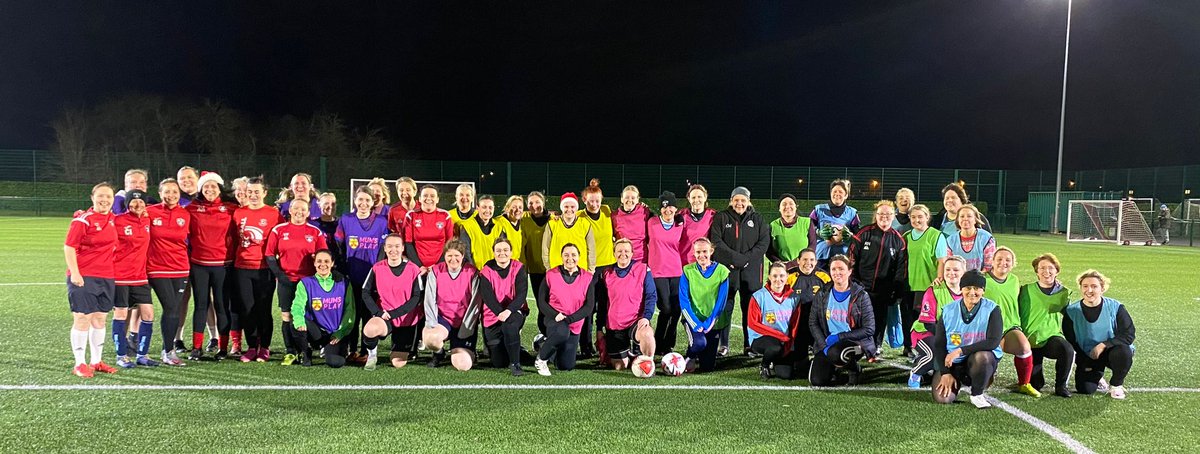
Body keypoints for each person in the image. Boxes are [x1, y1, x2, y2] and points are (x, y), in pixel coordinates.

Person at [65, 183, 120, 378]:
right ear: (92, 198)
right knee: (82, 318)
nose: (104, 200)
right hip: (84, 275)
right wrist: (75, 273)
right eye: (100, 196)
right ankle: (79, 363)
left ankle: (96, 361)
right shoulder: (83, 220)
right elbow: (69, 247)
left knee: (100, 319)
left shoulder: (113, 219)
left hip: (106, 276)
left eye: (108, 197)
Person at [709, 186, 770, 356]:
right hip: (727, 270)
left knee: (749, 309)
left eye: (743, 200)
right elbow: (716, 242)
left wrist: (746, 259)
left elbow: (763, 243)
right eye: (736, 200)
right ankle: (723, 345)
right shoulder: (721, 217)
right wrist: (736, 259)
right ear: (731, 201)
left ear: (748, 202)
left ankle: (749, 344)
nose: (739, 203)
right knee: (725, 307)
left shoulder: (758, 219)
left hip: (751, 271)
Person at [267, 200, 329, 365]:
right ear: (290, 210)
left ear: (308, 212)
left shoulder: (315, 232)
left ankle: (305, 349)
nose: (299, 211)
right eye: (295, 208)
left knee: (307, 315)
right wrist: (280, 275)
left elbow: (323, 256)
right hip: (286, 280)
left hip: (308, 282)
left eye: (303, 209)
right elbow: (269, 255)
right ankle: (290, 351)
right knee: (287, 316)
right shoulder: (279, 230)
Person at [931, 269, 1004, 409]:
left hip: (976, 361)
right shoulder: (948, 310)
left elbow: (993, 341)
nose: (972, 292)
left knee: (983, 357)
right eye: (968, 288)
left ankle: (977, 393)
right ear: (961, 289)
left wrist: (960, 351)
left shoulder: (993, 309)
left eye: (977, 288)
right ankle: (957, 380)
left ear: (983, 291)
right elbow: (939, 344)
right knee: (943, 399)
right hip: (952, 363)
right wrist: (945, 373)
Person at [185, 171, 238, 361]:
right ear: (200, 189)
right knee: (201, 305)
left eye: (213, 186)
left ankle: (223, 348)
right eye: (205, 186)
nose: (209, 189)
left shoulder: (231, 208)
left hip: (223, 265)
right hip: (199, 265)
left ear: (220, 188)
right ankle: (196, 347)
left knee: (222, 306)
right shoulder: (191, 208)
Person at [233, 176, 285, 363]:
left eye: (257, 191)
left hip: (264, 269)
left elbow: (280, 240)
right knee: (247, 309)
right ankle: (251, 347)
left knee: (263, 309)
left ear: (264, 193)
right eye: (250, 192)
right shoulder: (238, 213)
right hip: (242, 268)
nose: (253, 195)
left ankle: (265, 347)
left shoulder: (274, 214)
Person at [338, 186, 393, 363]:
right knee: (352, 314)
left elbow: (384, 249)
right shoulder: (346, 219)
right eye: (360, 199)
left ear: (372, 202)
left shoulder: (382, 222)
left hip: (372, 277)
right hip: (352, 275)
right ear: (355, 200)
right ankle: (351, 349)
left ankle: (366, 350)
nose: (363, 203)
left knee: (368, 314)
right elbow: (340, 246)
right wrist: (343, 269)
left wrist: (378, 271)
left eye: (367, 200)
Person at [846, 200, 907, 357]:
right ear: (876, 215)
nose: (884, 217)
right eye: (881, 214)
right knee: (859, 318)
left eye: (888, 214)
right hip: (861, 288)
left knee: (879, 318)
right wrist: (853, 283)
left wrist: (897, 291)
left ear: (893, 216)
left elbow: (900, 268)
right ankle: (857, 345)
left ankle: (876, 345)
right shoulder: (863, 233)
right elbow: (851, 259)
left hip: (883, 290)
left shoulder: (898, 240)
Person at [1063, 270, 1136, 399]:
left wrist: (1103, 345)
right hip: (1088, 355)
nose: (1089, 290)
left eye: (1094, 286)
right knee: (1085, 389)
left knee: (1124, 352)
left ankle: (1116, 385)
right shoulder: (1071, 311)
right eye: (1085, 286)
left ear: (1102, 288)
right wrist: (1084, 362)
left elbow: (1128, 335)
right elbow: (1071, 341)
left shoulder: (1116, 307)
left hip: (1113, 351)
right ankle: (1098, 376)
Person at [809, 255, 875, 386]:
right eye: (833, 269)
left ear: (849, 271)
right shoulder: (822, 293)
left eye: (841, 269)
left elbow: (869, 329)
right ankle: (834, 368)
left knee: (836, 353)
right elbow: (813, 322)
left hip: (855, 343)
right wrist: (823, 345)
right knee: (817, 381)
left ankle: (855, 369)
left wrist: (840, 337)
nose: (837, 272)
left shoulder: (861, 296)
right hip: (828, 343)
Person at [360, 235, 424, 370]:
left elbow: (417, 297)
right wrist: (378, 312)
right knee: (370, 329)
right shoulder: (377, 268)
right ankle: (372, 355)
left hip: (406, 320)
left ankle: (398, 348)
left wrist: (395, 313)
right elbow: (365, 292)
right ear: (384, 248)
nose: (393, 250)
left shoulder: (413, 269)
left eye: (397, 246)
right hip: (384, 317)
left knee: (398, 363)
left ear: (402, 248)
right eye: (389, 246)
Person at [146, 179, 191, 366]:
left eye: (174, 192)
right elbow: (126, 218)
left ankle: (168, 349)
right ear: (160, 193)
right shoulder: (150, 212)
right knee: (171, 307)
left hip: (181, 268)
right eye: (167, 191)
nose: (170, 195)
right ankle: (168, 351)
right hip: (157, 268)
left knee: (174, 309)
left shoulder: (186, 214)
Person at [982, 246, 1038, 396]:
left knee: (1024, 347)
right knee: (984, 383)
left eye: (1008, 260)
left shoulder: (1014, 280)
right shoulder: (982, 279)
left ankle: (1024, 383)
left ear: (1013, 264)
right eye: (999, 259)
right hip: (987, 330)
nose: (1003, 262)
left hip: (1010, 327)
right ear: (992, 261)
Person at [1018, 253, 1075, 397]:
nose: (1046, 271)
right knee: (1036, 384)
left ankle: (1061, 386)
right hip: (1029, 341)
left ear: (1057, 271)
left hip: (1050, 338)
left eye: (1051, 268)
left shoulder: (1063, 293)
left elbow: (1070, 317)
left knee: (1067, 349)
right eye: (1042, 268)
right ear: (1036, 272)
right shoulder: (1025, 290)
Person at [533, 244, 596, 376]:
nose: (570, 258)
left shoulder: (587, 277)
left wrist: (570, 319)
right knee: (562, 333)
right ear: (561, 257)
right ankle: (541, 360)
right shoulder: (551, 274)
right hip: (554, 319)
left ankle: (543, 343)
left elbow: (589, 306)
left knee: (565, 365)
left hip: (573, 323)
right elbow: (541, 301)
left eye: (573, 255)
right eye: (566, 255)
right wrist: (555, 315)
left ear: (579, 256)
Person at [111, 189, 158, 368]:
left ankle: (142, 355)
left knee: (148, 314)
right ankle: (121, 356)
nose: (137, 205)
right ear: (127, 204)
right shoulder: (118, 220)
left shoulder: (147, 220)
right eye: (133, 201)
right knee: (121, 314)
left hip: (140, 277)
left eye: (141, 202)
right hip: (120, 276)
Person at [289, 249, 356, 367]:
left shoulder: (344, 283)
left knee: (336, 362)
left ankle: (331, 349)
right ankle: (306, 351)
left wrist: (340, 333)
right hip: (316, 331)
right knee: (294, 322)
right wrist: (299, 321)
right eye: (319, 261)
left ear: (332, 263)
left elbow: (350, 310)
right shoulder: (305, 283)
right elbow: (297, 306)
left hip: (335, 333)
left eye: (326, 261)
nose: (322, 264)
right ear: (314, 263)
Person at [599, 239, 657, 370]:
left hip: (635, 321)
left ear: (632, 253)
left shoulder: (643, 269)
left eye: (626, 251)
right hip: (615, 325)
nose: (623, 254)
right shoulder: (606, 273)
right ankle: (630, 354)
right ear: (614, 253)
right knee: (620, 366)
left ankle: (649, 364)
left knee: (647, 333)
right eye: (619, 251)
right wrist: (599, 329)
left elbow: (651, 295)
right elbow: (602, 303)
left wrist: (646, 317)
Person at [421, 240, 479, 371]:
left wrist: (466, 329)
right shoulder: (436, 271)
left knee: (462, 365)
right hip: (443, 320)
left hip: (464, 321)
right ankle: (439, 353)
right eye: (449, 255)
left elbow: (476, 303)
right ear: (445, 256)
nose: (453, 259)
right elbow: (429, 299)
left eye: (457, 255)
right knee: (430, 339)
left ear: (462, 256)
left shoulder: (472, 272)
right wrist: (431, 324)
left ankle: (466, 350)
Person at [909, 256, 966, 387]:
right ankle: (915, 374)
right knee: (934, 354)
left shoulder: (967, 293)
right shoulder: (934, 290)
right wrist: (948, 340)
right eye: (948, 269)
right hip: (924, 332)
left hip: (953, 335)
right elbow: (928, 323)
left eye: (956, 270)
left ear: (964, 272)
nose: (951, 273)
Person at [477, 237, 529, 376]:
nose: (502, 253)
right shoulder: (486, 271)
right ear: (493, 252)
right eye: (498, 250)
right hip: (493, 316)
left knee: (509, 326)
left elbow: (521, 295)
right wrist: (500, 312)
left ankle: (515, 364)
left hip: (514, 311)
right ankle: (518, 350)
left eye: (506, 250)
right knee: (498, 362)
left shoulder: (518, 267)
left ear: (511, 252)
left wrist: (508, 311)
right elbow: (488, 297)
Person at [679, 237, 731, 373]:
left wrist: (710, 322)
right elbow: (684, 301)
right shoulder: (687, 271)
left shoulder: (722, 271)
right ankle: (690, 356)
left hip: (713, 322)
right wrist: (695, 323)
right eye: (698, 252)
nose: (701, 255)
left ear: (711, 251)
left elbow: (721, 302)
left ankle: (697, 349)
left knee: (707, 367)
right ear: (694, 253)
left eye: (705, 251)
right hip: (693, 319)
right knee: (700, 343)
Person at [901, 204, 943, 358]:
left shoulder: (936, 235)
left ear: (927, 217)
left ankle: (924, 348)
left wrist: (939, 279)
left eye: (920, 216)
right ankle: (908, 347)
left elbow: (942, 260)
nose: (916, 220)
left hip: (927, 285)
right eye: (913, 217)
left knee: (923, 321)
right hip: (908, 285)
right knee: (907, 318)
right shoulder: (906, 236)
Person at [748, 262, 803, 379]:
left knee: (786, 375)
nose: (778, 279)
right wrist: (779, 336)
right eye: (775, 276)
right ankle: (764, 365)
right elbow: (753, 324)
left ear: (787, 276)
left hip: (784, 340)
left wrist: (790, 343)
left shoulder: (794, 298)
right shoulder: (758, 296)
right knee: (774, 347)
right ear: (769, 277)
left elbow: (794, 324)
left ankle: (774, 360)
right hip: (761, 338)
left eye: (782, 276)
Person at [580, 179, 616, 359]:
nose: (594, 204)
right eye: (590, 201)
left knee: (606, 307)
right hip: (589, 269)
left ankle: (605, 344)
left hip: (609, 267)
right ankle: (585, 345)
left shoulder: (607, 211)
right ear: (584, 200)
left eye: (597, 200)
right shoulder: (579, 216)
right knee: (588, 308)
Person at [648, 191, 685, 355]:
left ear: (675, 208)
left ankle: (669, 343)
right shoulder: (651, 222)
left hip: (676, 270)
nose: (667, 210)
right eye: (663, 207)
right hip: (658, 272)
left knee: (677, 309)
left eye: (670, 206)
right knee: (666, 308)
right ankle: (658, 341)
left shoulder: (680, 223)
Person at [785, 249, 828, 373]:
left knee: (822, 362)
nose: (808, 263)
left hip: (818, 323)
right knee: (798, 369)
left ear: (816, 262)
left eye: (811, 260)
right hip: (797, 324)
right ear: (798, 261)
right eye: (805, 259)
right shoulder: (789, 276)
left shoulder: (824, 276)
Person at [520, 191, 552, 342]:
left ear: (543, 202)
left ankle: (550, 334)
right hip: (535, 270)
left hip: (552, 270)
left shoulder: (553, 220)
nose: (534, 206)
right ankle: (544, 333)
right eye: (531, 203)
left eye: (537, 202)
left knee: (552, 303)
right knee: (541, 304)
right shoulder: (524, 219)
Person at [403, 185, 455, 272]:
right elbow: (408, 244)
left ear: (437, 199)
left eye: (432, 196)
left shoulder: (445, 215)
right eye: (425, 195)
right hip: (417, 268)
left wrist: (438, 265)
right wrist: (419, 266)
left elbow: (449, 244)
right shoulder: (411, 215)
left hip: (440, 267)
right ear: (420, 199)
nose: (428, 198)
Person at [810, 179, 860, 270]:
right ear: (830, 193)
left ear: (846, 195)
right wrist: (818, 232)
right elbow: (808, 229)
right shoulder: (818, 209)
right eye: (834, 191)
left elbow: (858, 235)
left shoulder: (852, 213)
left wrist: (850, 236)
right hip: (821, 256)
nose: (837, 194)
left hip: (843, 257)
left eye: (840, 192)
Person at [940, 204, 995, 275]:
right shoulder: (950, 241)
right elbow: (949, 265)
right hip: (957, 279)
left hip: (980, 278)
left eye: (969, 216)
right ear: (958, 220)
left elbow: (989, 265)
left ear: (975, 220)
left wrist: (977, 277)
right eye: (962, 216)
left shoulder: (986, 238)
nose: (965, 219)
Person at [767, 193, 815, 273]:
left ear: (796, 207)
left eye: (791, 203)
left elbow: (812, 245)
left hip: (804, 267)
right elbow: (769, 251)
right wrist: (781, 264)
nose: (788, 206)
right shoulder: (773, 225)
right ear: (779, 208)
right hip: (782, 270)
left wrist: (796, 262)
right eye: (784, 204)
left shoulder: (807, 222)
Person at [458, 195, 506, 266]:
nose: (487, 210)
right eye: (484, 207)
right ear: (477, 208)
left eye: (490, 207)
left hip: (494, 270)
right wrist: (473, 271)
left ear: (494, 208)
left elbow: (502, 252)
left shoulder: (499, 227)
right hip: (474, 270)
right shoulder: (467, 226)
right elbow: (466, 255)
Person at [612, 185, 651, 263]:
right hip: (622, 260)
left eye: (633, 198)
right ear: (622, 199)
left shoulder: (645, 212)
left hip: (641, 259)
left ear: (637, 199)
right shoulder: (614, 216)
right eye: (627, 197)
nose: (630, 200)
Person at [680, 184, 716, 265]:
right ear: (689, 199)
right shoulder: (681, 215)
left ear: (705, 198)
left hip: (704, 263)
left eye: (699, 197)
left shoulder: (713, 215)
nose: (696, 200)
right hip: (685, 263)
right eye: (693, 197)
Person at [495, 195, 525, 261]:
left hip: (516, 263)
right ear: (507, 208)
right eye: (514, 207)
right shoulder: (499, 223)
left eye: (520, 207)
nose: (518, 210)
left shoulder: (522, 224)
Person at [315, 192, 340, 265]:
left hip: (338, 265)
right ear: (319, 205)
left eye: (333, 204)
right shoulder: (313, 225)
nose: (330, 207)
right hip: (320, 264)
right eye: (326, 203)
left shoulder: (341, 224)